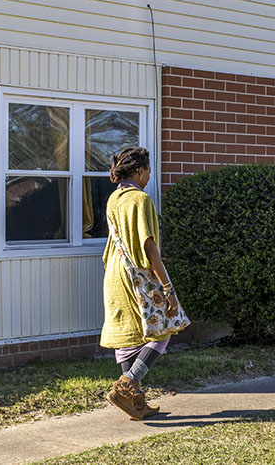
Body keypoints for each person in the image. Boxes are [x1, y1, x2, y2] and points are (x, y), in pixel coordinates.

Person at [101, 146, 178, 421]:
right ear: (139, 170)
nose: (148, 176)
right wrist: (168, 289)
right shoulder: (139, 198)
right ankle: (128, 384)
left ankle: (134, 403)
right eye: (147, 170)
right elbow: (148, 246)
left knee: (127, 337)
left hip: (113, 271)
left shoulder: (114, 198)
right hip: (135, 273)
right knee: (164, 327)